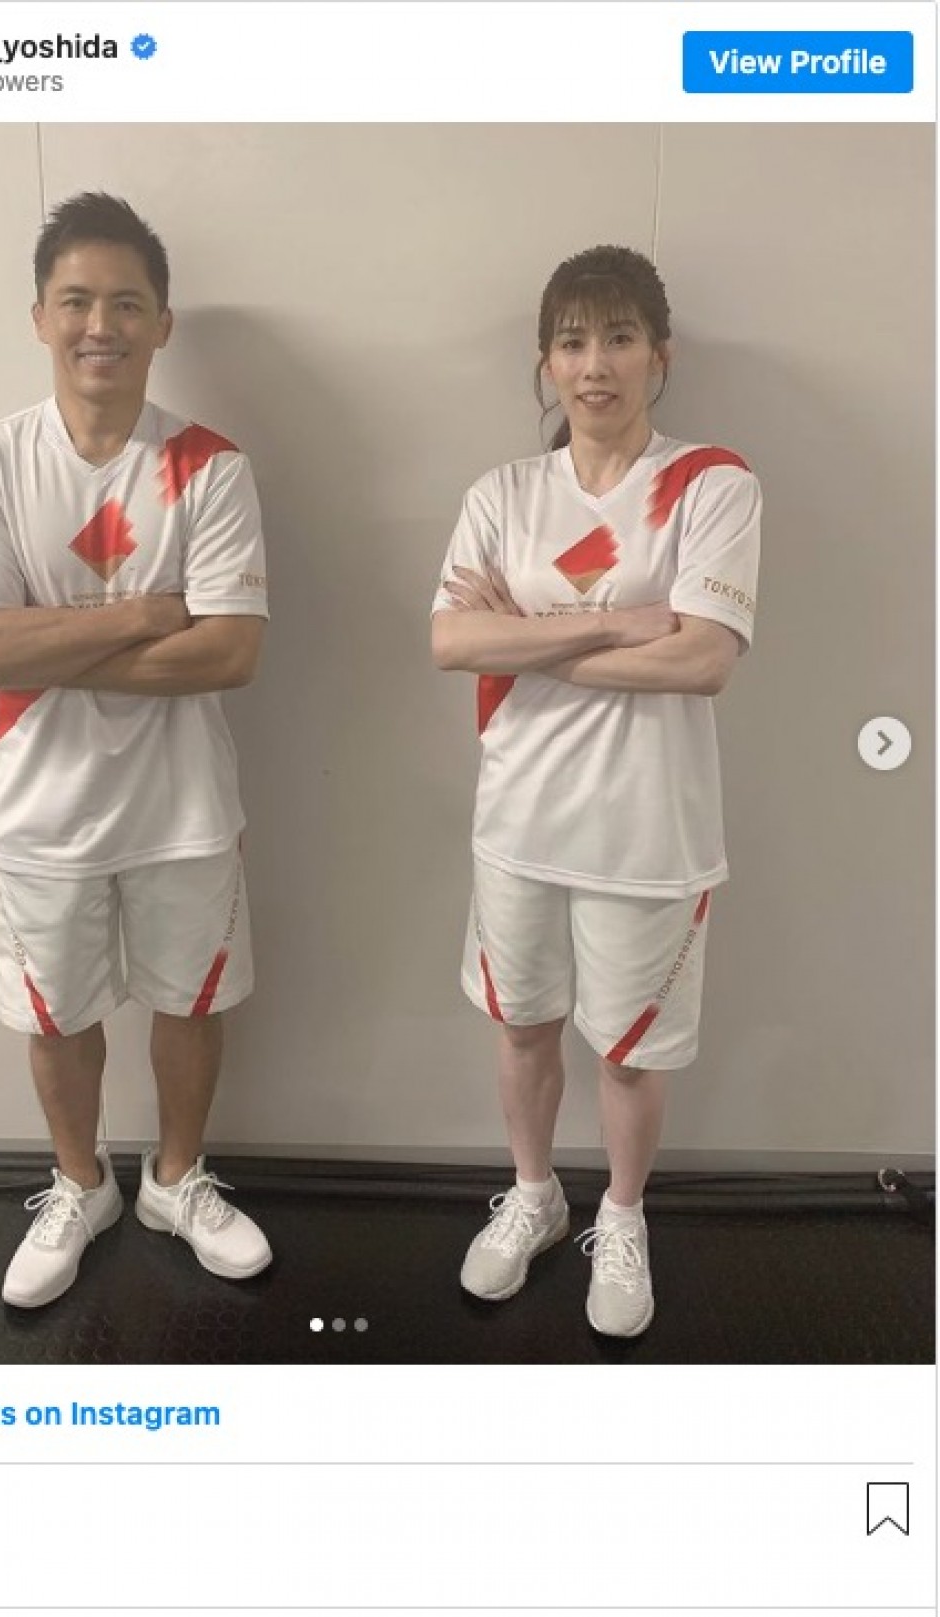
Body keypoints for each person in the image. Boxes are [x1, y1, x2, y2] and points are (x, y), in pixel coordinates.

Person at [0, 193, 272, 1308]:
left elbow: (229, 653)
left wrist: (49, 642)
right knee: (57, 1014)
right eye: (76, 300)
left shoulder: (210, 467)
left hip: (184, 803)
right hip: (45, 808)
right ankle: (81, 1185)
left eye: (127, 303)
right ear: (39, 316)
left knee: (192, 1001)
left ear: (162, 323)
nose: (100, 325)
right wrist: (142, 615)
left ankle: (175, 1180)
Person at [432, 244, 760, 1338]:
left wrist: (526, 638)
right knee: (525, 1028)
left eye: (619, 338)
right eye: (572, 342)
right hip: (520, 821)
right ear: (546, 363)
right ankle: (533, 1196)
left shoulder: (710, 483)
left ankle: (621, 1216)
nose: (595, 364)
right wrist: (618, 623)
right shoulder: (504, 495)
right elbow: (450, 641)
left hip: (648, 830)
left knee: (629, 1050)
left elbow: (703, 658)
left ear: (660, 355)